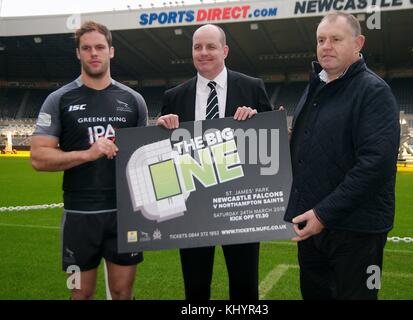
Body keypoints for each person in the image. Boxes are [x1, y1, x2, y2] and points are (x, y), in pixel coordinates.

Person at [284, 12, 400, 300]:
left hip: (356, 231)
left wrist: (323, 213)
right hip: (312, 228)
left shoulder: (374, 91)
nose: (326, 46)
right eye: (321, 40)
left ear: (358, 43)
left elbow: (376, 165)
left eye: (336, 39)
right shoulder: (315, 87)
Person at [30, 21, 148, 300]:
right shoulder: (58, 99)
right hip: (79, 216)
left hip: (124, 213)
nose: (93, 53)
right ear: (78, 54)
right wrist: (88, 153)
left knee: (122, 292)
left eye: (99, 47)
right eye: (86, 48)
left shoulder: (134, 100)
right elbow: (38, 157)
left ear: (111, 51)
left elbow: (144, 154)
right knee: (79, 294)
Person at [157, 24, 272, 300]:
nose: (203, 53)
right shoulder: (173, 97)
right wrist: (159, 130)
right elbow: (162, 156)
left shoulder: (252, 88)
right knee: (195, 289)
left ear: (225, 50)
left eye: (210, 46)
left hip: (239, 205)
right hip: (192, 208)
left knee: (245, 288)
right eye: (197, 47)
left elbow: (270, 145)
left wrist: (258, 121)